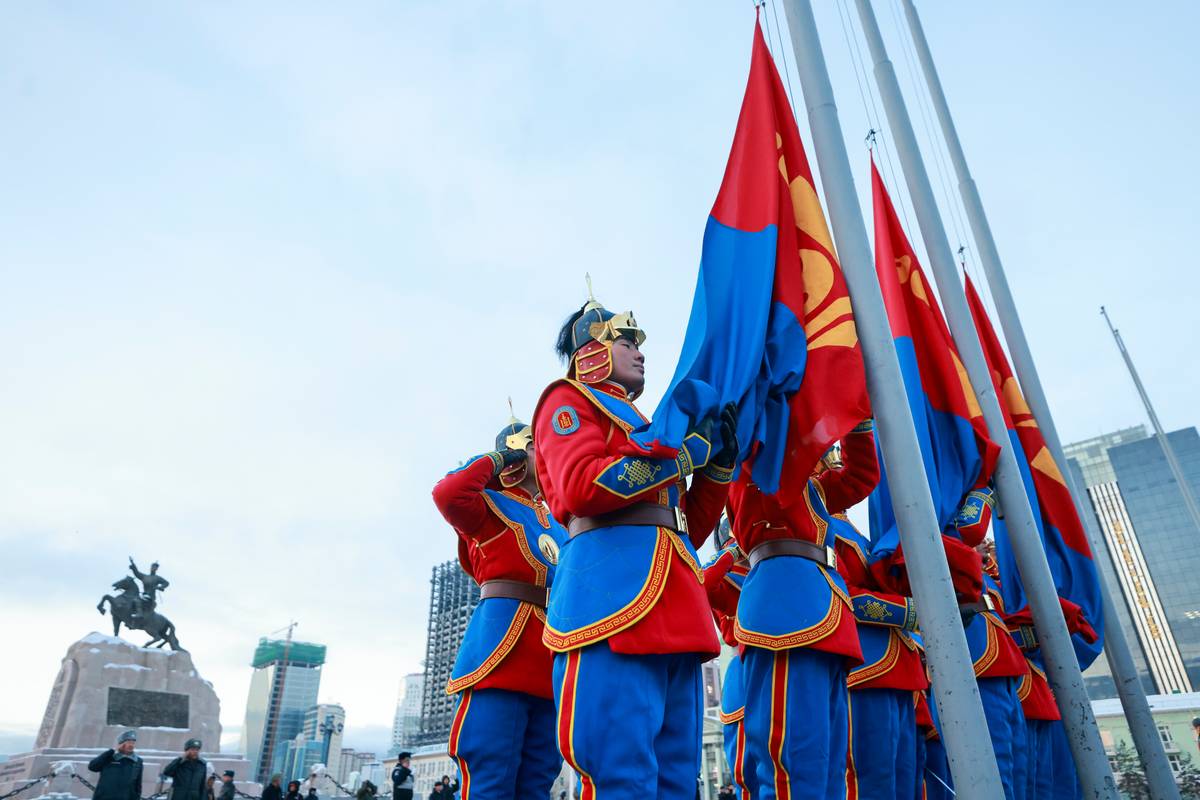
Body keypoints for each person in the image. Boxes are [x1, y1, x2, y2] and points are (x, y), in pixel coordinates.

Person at [532, 294, 738, 798]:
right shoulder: (567, 400)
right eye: (626, 341)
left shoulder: (648, 427)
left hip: (677, 608)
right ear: (592, 349)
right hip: (611, 602)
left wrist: (716, 467)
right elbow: (582, 487)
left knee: (677, 781)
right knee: (619, 776)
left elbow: (681, 527)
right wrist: (683, 457)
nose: (640, 351)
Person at [727, 423, 874, 800]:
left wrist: (858, 420)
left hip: (826, 616)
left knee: (829, 771)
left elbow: (861, 475)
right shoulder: (755, 465)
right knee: (793, 767)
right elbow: (760, 432)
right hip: (785, 613)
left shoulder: (816, 490)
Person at [431, 412, 568, 799]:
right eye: (537, 446)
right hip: (500, 655)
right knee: (490, 774)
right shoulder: (488, 505)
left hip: (550, 658)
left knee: (539, 779)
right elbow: (448, 493)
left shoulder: (560, 523)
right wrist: (500, 459)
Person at [827, 440, 927, 800]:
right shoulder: (818, 522)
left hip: (897, 665)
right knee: (873, 781)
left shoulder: (852, 529)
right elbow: (843, 595)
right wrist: (911, 612)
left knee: (908, 782)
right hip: (865, 667)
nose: (838, 458)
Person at [702, 526, 757, 800]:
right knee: (749, 773)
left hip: (788, 668)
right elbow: (702, 580)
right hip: (746, 671)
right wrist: (734, 549)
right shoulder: (728, 577)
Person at [87, 730, 143, 800]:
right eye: (128, 742)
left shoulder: (137, 761)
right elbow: (92, 767)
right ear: (121, 744)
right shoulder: (109, 757)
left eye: (133, 743)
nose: (131, 745)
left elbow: (137, 786)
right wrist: (112, 751)